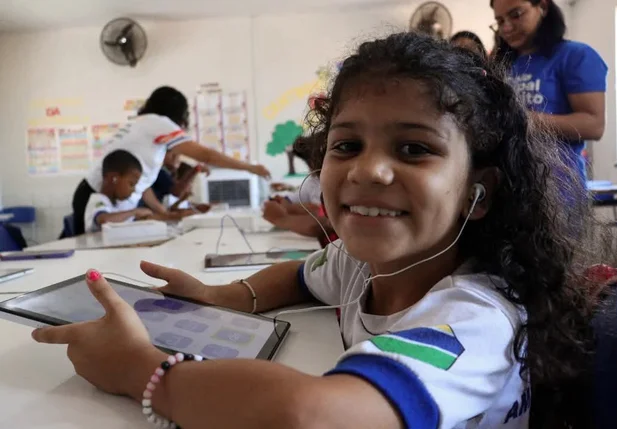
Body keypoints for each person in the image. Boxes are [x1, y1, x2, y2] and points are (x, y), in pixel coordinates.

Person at [32, 32, 611, 428]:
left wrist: (141, 372)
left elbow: (309, 414)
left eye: (414, 148)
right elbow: (301, 278)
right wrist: (222, 297)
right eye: (347, 145)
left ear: (477, 192)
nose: (367, 169)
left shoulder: (472, 322)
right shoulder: (362, 264)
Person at [71, 86, 271, 235]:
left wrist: (164, 213)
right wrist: (249, 168)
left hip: (103, 196)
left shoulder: (142, 125)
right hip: (98, 197)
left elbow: (141, 185)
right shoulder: (159, 124)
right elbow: (206, 155)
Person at [491, 0, 608, 185]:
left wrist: (524, 120)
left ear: (543, 7)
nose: (506, 28)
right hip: (512, 186)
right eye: (499, 21)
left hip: (560, 189)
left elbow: (594, 125)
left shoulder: (576, 56)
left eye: (516, 15)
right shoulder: (504, 64)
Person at [263, 133, 337, 245]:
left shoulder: (338, 186)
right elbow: (313, 210)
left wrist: (282, 219)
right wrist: (285, 205)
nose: (310, 169)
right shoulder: (313, 182)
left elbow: (322, 224)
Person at [83, 150, 153, 233]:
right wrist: (134, 212)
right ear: (114, 179)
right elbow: (105, 220)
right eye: (131, 184)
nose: (134, 190)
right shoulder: (97, 201)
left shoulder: (118, 204)